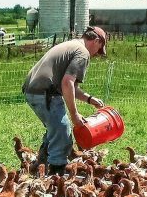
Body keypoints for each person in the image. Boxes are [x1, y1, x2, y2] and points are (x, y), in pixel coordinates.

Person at [22, 26, 108, 175]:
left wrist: (89, 99)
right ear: (96, 41)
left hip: (33, 90)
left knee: (55, 128)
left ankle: (41, 164)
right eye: (99, 49)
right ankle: (57, 173)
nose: (96, 54)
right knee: (62, 131)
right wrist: (74, 115)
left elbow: (71, 86)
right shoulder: (83, 53)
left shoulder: (71, 44)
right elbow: (67, 83)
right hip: (46, 92)